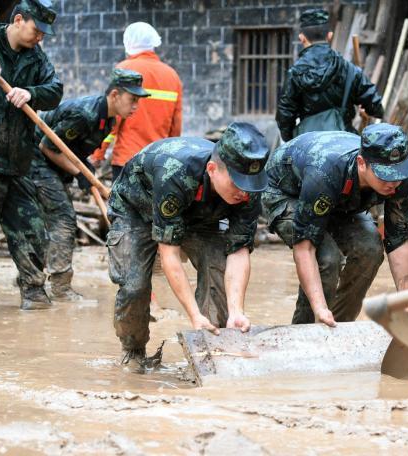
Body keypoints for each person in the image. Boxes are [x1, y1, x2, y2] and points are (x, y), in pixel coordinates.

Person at [107, 122, 269, 370]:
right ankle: (134, 350)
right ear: (213, 169)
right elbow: (169, 253)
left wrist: (237, 310)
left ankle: (210, 347)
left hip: (202, 214)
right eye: (237, 184)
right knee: (134, 285)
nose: (244, 194)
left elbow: (238, 250)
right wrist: (193, 314)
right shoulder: (175, 172)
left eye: (249, 186)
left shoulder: (248, 187)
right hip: (137, 209)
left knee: (217, 267)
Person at [262, 124, 408, 326]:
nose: (393, 183)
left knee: (370, 249)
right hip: (285, 192)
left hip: (340, 199)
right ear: (362, 163)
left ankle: (340, 327)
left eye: (398, 174)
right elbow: (305, 248)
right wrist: (320, 308)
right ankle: (305, 331)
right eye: (385, 175)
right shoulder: (325, 172)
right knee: (327, 258)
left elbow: (399, 239)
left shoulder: (399, 179)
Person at [0, 0, 63, 310]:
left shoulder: (37, 59)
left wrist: (31, 93)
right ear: (19, 19)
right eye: (37, 31)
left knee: (32, 230)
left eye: (44, 34)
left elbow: (55, 88)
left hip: (18, 162)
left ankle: (35, 295)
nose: (40, 38)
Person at [29, 69, 149, 301]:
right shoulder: (85, 114)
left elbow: (72, 147)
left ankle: (30, 275)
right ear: (115, 95)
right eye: (132, 99)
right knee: (63, 219)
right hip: (36, 161)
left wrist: (85, 166)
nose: (136, 106)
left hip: (54, 164)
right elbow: (48, 146)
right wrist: (79, 172)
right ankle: (61, 289)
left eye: (138, 101)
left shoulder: (109, 119)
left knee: (47, 221)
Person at [275, 8, 384, 142]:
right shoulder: (349, 70)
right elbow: (376, 107)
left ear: (302, 38)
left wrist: (292, 139)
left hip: (308, 145)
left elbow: (284, 115)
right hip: (344, 144)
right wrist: (365, 110)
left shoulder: (294, 73)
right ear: (330, 35)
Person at [91, 22, 183, 179]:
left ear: (128, 44)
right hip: (158, 162)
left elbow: (112, 118)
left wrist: (98, 154)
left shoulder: (125, 70)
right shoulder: (172, 76)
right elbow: (176, 127)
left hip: (127, 159)